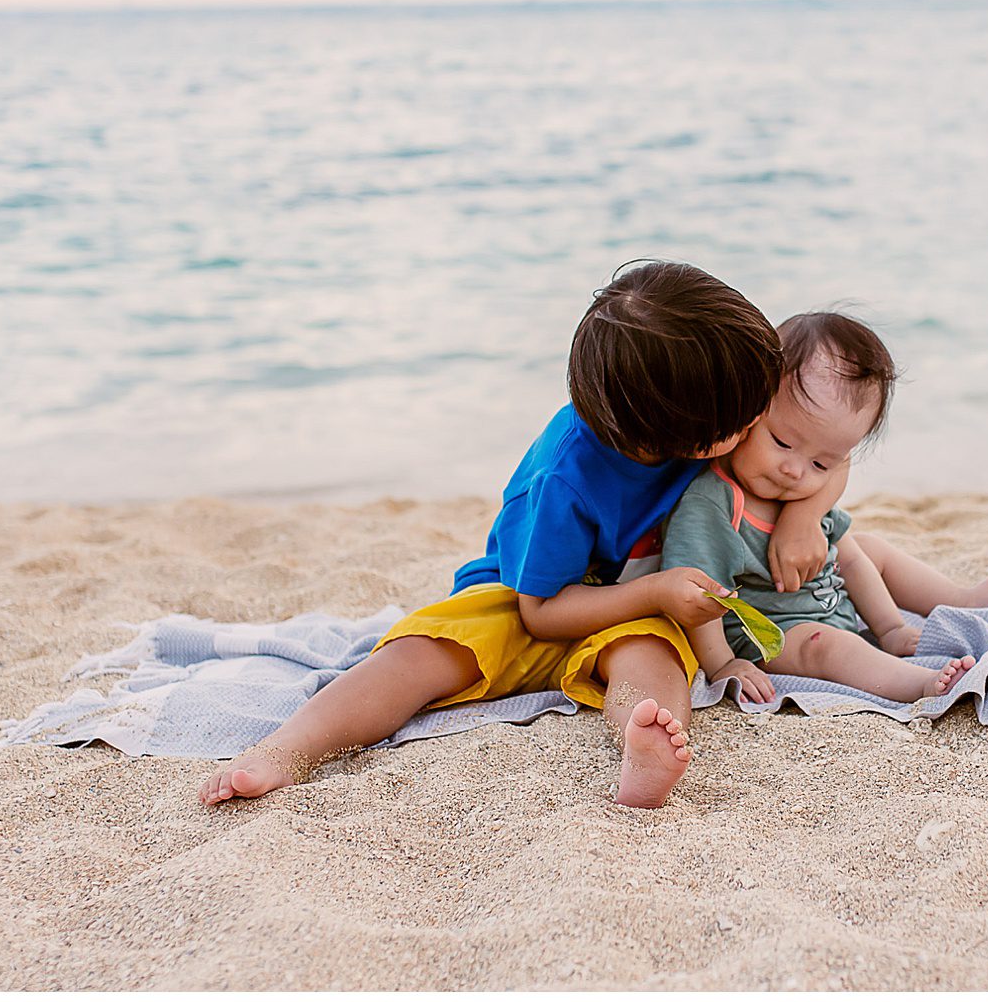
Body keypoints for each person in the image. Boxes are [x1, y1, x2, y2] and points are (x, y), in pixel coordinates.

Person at [198, 260, 844, 809]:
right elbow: (541, 612)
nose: (765, 419)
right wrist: (656, 594)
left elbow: (829, 457)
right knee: (418, 654)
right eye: (751, 417)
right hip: (530, 600)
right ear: (689, 441)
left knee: (652, 663)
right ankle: (285, 750)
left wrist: (801, 515)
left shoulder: (717, 417)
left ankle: (643, 745)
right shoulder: (565, 478)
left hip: (642, 609)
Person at [660, 311, 988, 704]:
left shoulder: (802, 494)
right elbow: (701, 597)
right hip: (780, 635)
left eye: (820, 464)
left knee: (869, 548)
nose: (794, 471)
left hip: (836, 603)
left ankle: (952, 601)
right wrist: (723, 665)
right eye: (781, 441)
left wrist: (889, 626)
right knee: (827, 647)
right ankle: (916, 684)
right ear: (751, 410)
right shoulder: (714, 503)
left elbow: (848, 560)